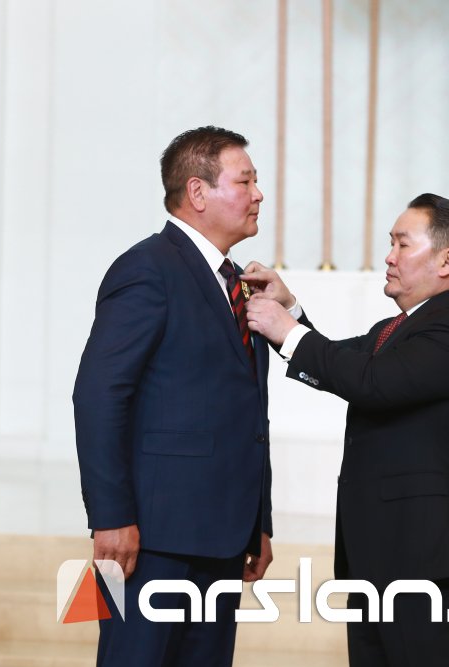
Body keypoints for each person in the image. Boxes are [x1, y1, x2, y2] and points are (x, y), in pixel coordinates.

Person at [73, 126, 299, 666]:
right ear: (198, 192)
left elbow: (247, 411)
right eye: (245, 181)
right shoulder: (147, 268)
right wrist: (111, 516)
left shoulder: (237, 282)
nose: (259, 194)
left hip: (224, 539)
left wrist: (258, 523)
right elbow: (99, 395)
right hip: (153, 539)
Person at [243, 193, 449, 667]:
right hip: (379, 563)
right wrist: (289, 309)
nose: (389, 256)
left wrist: (287, 330)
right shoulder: (397, 328)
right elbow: (341, 364)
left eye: (403, 244)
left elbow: (372, 382)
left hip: (431, 568)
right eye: (390, 243)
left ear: (447, 260)